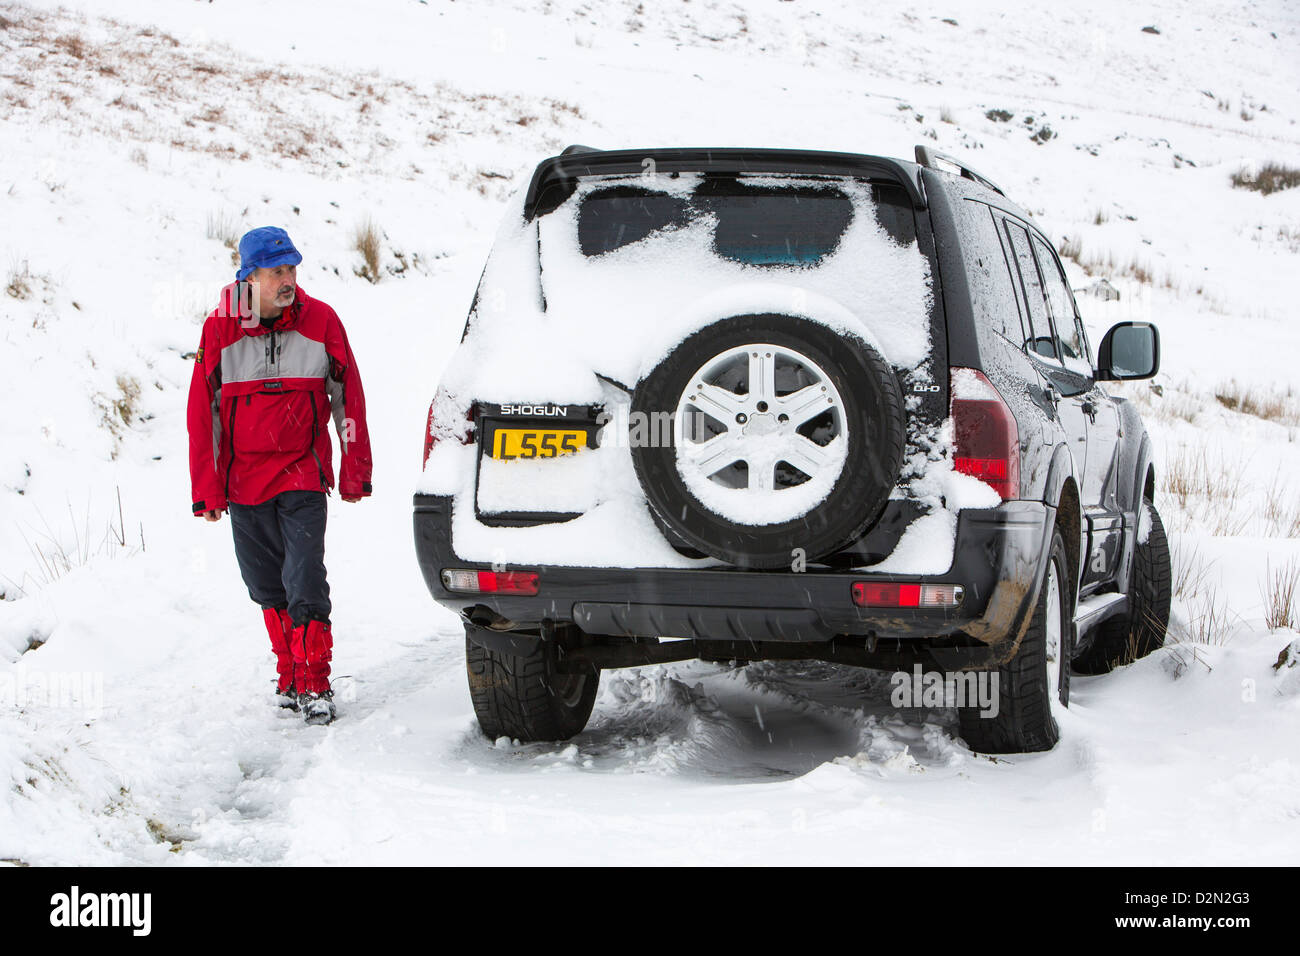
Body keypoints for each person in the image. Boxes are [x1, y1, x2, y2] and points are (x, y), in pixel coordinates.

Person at [187, 226, 372, 725]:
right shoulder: (219, 330)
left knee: (304, 575)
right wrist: (207, 489)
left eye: (292, 269)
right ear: (249, 278)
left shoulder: (322, 321)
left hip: (302, 475)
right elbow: (203, 415)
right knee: (266, 584)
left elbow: (347, 398)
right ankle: (289, 671)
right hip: (244, 481)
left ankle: (316, 680)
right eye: (276, 272)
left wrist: (355, 469)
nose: (288, 280)